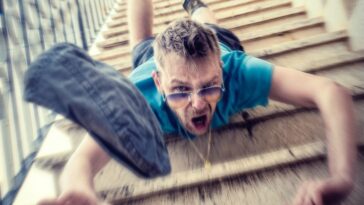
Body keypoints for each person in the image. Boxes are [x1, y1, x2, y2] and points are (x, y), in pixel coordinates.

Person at [38, 0, 357, 204]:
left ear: (221, 72)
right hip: (153, 57)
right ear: (158, 84)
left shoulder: (238, 71)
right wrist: (80, 188)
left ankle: (195, 4)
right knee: (139, 44)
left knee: (210, 26)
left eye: (209, 87)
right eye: (179, 91)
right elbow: (81, 160)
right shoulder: (136, 100)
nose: (197, 104)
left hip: (218, 44)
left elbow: (330, 92)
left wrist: (342, 177)